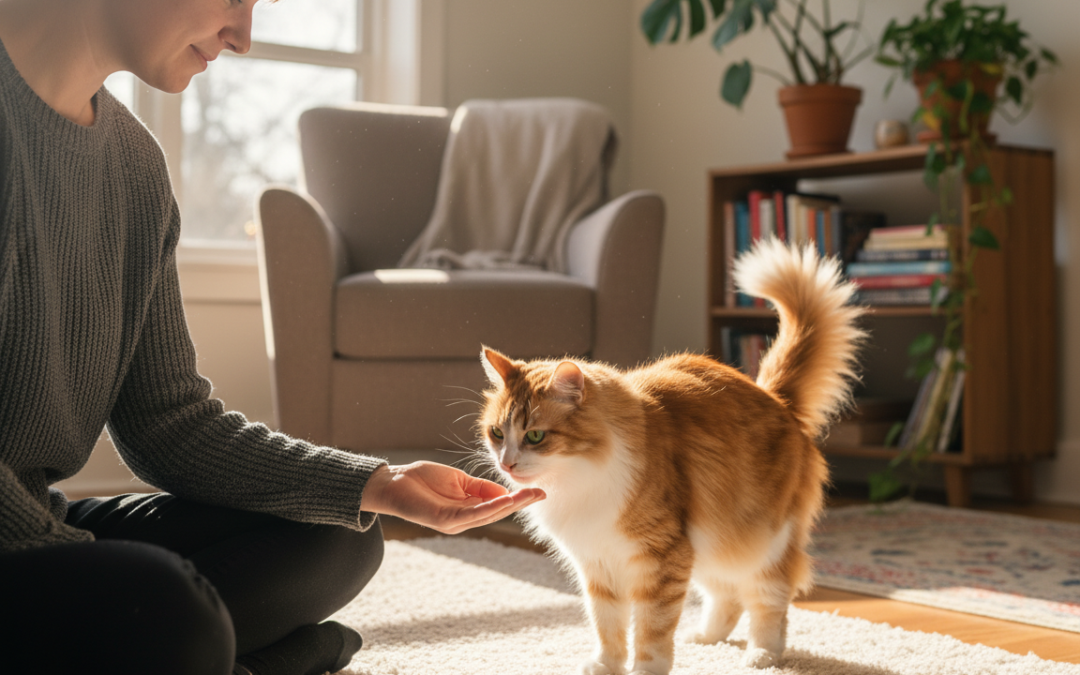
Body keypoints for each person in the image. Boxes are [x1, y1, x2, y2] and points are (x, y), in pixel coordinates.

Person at [0, 0, 546, 673]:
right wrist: (91, 573)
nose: (244, 37)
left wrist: (382, 481)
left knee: (339, 531)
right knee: (169, 612)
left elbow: (170, 423)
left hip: (33, 523)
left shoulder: (133, 167)